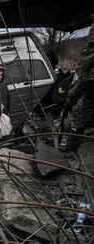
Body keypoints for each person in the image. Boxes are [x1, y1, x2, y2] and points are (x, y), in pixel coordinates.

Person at [64, 14, 94, 150]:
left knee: (80, 112)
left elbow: (82, 84)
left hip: (88, 88)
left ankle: (72, 143)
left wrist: (71, 97)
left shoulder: (88, 61)